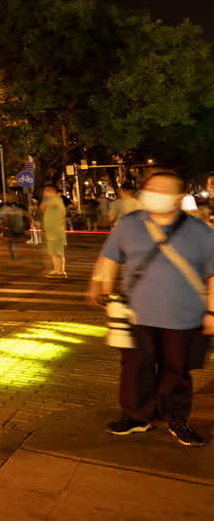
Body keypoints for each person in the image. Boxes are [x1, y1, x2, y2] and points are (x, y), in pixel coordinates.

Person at [88, 170, 214, 447]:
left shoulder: (200, 231)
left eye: (162, 189)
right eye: (150, 187)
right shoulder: (129, 224)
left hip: (185, 317)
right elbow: (109, 257)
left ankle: (177, 419)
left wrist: (212, 312)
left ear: (179, 197)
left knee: (176, 371)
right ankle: (137, 416)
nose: (153, 193)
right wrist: (99, 283)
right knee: (135, 368)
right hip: (138, 314)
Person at [41, 185, 68, 277]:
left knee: (56, 253)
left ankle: (59, 271)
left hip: (55, 231)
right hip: (54, 230)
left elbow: (43, 206)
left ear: (50, 192)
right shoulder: (57, 200)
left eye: (45, 191)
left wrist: (45, 198)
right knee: (57, 252)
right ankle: (59, 270)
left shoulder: (55, 199)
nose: (44, 194)